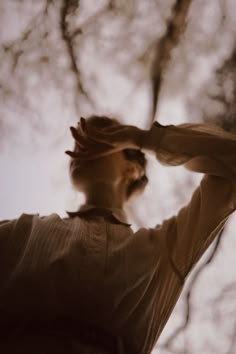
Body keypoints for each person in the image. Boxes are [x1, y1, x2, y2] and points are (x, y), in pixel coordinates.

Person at [0, 115, 235, 354]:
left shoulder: (162, 252)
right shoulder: (23, 231)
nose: (81, 146)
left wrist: (142, 138)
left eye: (102, 137)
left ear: (132, 169)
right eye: (79, 141)